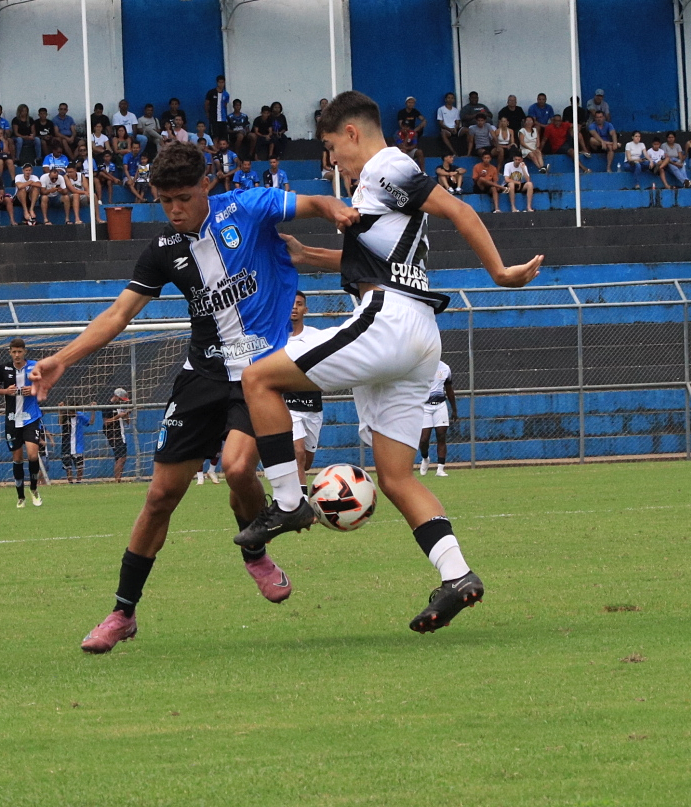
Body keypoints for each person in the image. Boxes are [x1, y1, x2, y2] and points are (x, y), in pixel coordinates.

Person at [236, 90, 542, 635]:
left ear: (352, 133)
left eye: (332, 148)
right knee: (397, 477)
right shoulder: (379, 186)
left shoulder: (386, 166)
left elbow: (458, 207)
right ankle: (458, 576)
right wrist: (312, 258)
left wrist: (498, 271)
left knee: (258, 377)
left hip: (390, 322)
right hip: (417, 335)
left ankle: (286, 501)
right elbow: (384, 257)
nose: (334, 163)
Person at [29, 141, 352, 654]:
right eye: (164, 200)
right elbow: (118, 314)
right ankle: (122, 613)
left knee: (239, 466)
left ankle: (255, 553)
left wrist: (334, 206)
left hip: (261, 374)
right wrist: (62, 359)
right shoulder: (163, 250)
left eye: (182, 197)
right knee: (160, 497)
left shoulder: (247, 207)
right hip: (201, 376)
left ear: (206, 185)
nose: (175, 209)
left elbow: (310, 203)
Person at [0, 337, 45, 508]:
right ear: (10, 352)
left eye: (20, 351)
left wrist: (34, 389)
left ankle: (34, 489)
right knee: (17, 457)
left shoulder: (34, 366)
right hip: (13, 420)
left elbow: (45, 385)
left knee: (33, 454)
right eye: (14, 352)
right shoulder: (4, 368)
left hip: (31, 418)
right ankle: (20, 496)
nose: (17, 355)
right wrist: (5, 391)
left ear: (25, 352)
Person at [284, 292, 331, 487]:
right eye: (290, 303)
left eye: (299, 304)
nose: (294, 307)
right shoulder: (276, 337)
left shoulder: (316, 336)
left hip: (312, 406)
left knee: (306, 462)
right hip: (287, 405)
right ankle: (300, 506)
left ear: (306, 310)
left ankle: (293, 488)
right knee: (298, 452)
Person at [101, 389, 131, 482]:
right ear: (117, 397)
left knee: (121, 457)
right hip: (113, 433)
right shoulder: (108, 406)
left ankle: (118, 479)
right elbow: (106, 422)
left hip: (121, 433)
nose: (122, 401)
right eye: (121, 399)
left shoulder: (121, 406)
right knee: (121, 457)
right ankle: (117, 479)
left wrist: (126, 415)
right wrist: (118, 416)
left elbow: (128, 422)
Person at [60, 409, 91, 483]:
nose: (72, 413)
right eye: (71, 411)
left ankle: (78, 481)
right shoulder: (65, 417)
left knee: (80, 466)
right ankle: (70, 482)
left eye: (74, 411)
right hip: (67, 445)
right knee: (68, 467)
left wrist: (93, 411)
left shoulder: (80, 416)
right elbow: (60, 422)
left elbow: (90, 422)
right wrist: (60, 410)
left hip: (78, 445)